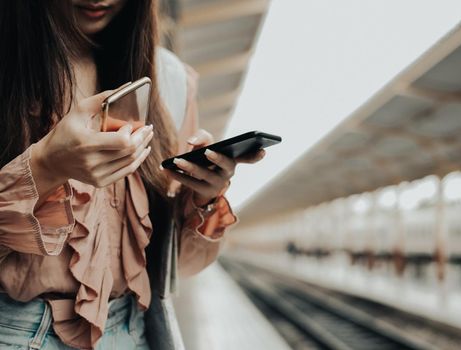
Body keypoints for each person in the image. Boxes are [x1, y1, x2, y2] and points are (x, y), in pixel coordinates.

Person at [0, 1, 265, 349]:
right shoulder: (10, 67)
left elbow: (178, 267)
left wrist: (205, 198)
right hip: (18, 334)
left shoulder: (169, 80)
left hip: (133, 332)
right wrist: (46, 167)